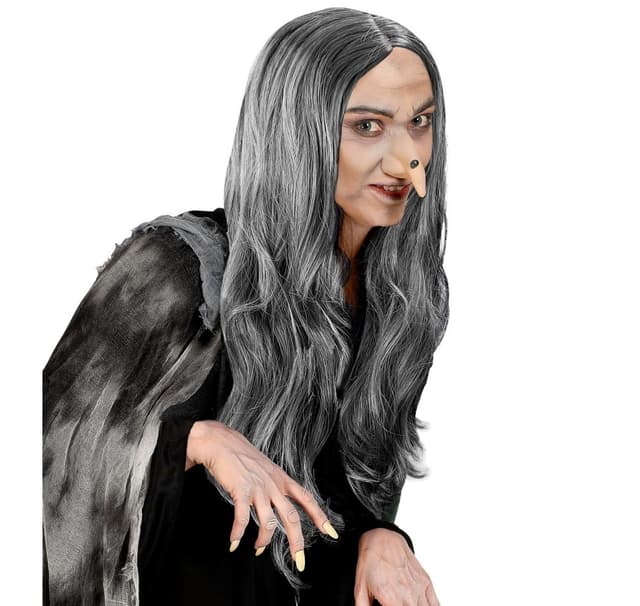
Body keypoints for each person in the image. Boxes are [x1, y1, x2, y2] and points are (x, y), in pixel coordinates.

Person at [42, 7, 449, 605]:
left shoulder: (402, 300)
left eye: (420, 122)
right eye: (367, 126)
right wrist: (192, 440)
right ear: (296, 131)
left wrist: (380, 535)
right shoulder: (178, 268)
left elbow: (335, 502)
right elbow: (47, 447)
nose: (405, 158)